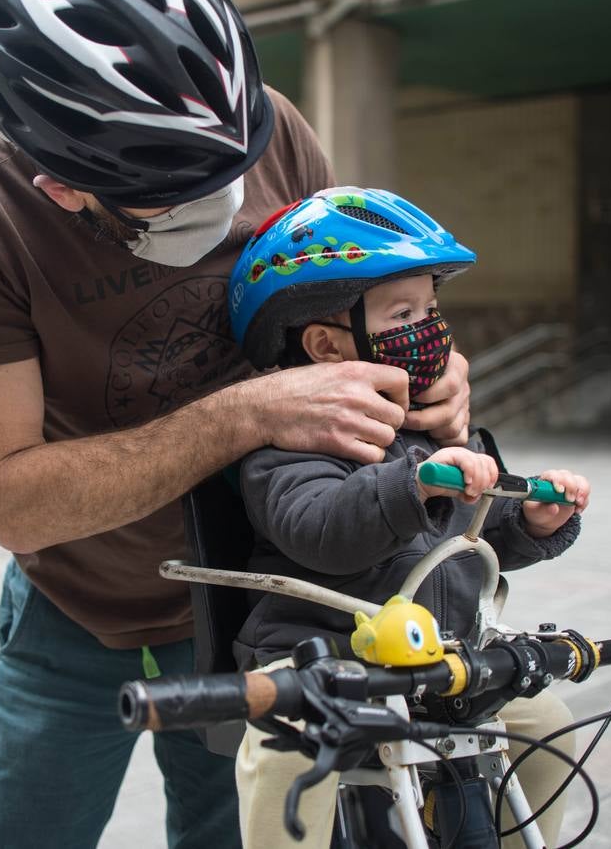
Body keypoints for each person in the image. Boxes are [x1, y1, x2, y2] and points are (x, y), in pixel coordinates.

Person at [0, 0, 470, 847]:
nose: (226, 204)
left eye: (228, 170)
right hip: (81, 608)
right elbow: (13, 501)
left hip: (268, 596)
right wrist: (248, 413)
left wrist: (429, 368)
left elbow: (347, 311)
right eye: (174, 200)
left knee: (239, 833)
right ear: (66, 187)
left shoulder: (272, 127)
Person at [226, 187, 591, 849]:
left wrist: (532, 523)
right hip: (320, 659)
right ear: (326, 345)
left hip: (439, 662)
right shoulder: (290, 445)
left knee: (547, 725)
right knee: (281, 753)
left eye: (431, 307)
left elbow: (468, 541)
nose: (431, 328)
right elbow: (322, 531)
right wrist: (413, 485)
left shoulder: (433, 428)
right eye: (403, 312)